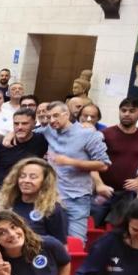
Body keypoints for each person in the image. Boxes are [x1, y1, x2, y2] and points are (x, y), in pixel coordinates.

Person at [37, 101, 110, 243]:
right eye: (49, 117)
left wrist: (71, 162)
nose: (52, 120)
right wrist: (10, 135)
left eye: (56, 116)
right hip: (52, 197)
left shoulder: (88, 134)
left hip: (77, 198)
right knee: (48, 242)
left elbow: (104, 164)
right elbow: (26, 133)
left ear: (67, 114)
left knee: (75, 242)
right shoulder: (47, 131)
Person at [0, 158, 67, 244]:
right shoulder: (8, 203)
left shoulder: (52, 209)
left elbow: (62, 246)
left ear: (45, 181)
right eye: (22, 176)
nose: (26, 181)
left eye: (33, 177)